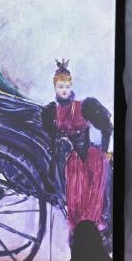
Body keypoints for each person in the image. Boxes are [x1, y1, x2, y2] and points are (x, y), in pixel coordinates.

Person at [40, 59, 112, 237]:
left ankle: (94, 225)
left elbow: (107, 127)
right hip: (71, 158)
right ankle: (80, 229)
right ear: (55, 88)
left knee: (94, 187)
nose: (64, 90)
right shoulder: (51, 110)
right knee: (75, 191)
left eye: (67, 86)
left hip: (90, 156)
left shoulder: (84, 106)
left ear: (71, 86)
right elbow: (51, 139)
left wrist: (105, 151)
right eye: (60, 86)